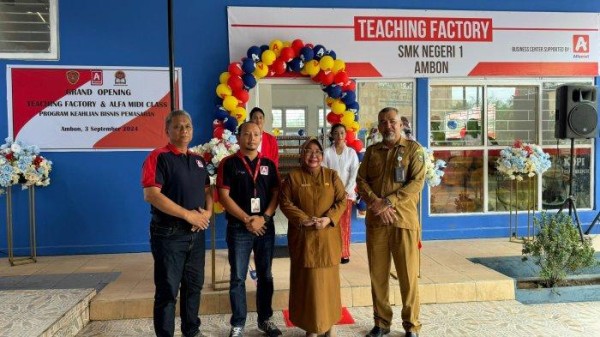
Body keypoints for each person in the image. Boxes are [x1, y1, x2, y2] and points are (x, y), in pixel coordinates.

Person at [141, 109, 213, 337]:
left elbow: (208, 191)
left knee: (194, 286)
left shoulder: (199, 160)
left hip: (196, 236)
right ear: (167, 130)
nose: (184, 130)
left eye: (188, 126)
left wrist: (206, 214)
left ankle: (192, 331)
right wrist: (188, 215)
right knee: (167, 290)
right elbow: (151, 194)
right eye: (178, 126)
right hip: (168, 236)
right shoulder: (159, 157)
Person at [356, 107, 426, 337]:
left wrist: (388, 202)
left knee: (408, 277)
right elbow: (361, 179)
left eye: (392, 121)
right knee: (378, 275)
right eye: (383, 122)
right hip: (377, 223)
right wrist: (376, 203)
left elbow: (416, 183)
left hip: (403, 221)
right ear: (379, 125)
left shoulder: (414, 150)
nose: (388, 126)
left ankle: (412, 325)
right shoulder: (372, 151)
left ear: (401, 123)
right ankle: (382, 323)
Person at [216, 121, 282, 337]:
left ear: (261, 137)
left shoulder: (269, 165)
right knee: (237, 277)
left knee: (266, 275)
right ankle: (238, 324)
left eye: (256, 134)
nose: (252, 138)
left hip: (265, 228)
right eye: (247, 134)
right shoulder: (228, 163)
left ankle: (265, 320)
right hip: (238, 227)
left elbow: (275, 195)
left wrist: (263, 218)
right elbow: (224, 197)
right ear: (239, 136)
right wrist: (247, 219)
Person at [279, 138, 347, 337]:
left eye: (317, 151)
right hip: (304, 239)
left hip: (328, 238)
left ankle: (330, 326)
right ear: (302, 155)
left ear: (322, 156)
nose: (313, 155)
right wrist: (303, 219)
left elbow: (342, 200)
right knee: (308, 286)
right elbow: (285, 202)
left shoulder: (332, 176)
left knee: (329, 285)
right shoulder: (293, 178)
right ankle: (311, 327)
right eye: (308, 151)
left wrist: (328, 218)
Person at [322, 123, 359, 264]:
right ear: (332, 135)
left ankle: (344, 253)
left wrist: (346, 191)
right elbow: (324, 173)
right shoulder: (327, 152)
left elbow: (354, 173)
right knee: (331, 222)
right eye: (336, 133)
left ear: (345, 135)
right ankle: (332, 251)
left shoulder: (351, 153)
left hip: (346, 195)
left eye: (342, 133)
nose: (339, 136)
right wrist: (332, 192)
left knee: (344, 224)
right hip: (330, 195)